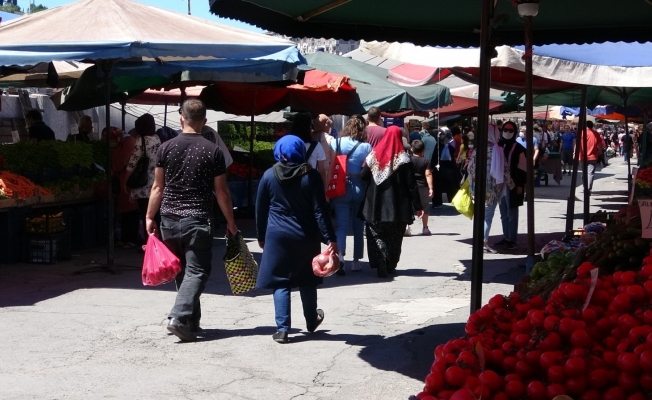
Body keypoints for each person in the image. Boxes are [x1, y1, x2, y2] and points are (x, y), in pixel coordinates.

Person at [146, 99, 237, 342]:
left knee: (182, 271)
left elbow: (157, 187)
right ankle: (178, 316)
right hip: (197, 219)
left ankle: (191, 322)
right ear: (205, 122)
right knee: (197, 271)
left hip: (168, 219)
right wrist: (231, 221)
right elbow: (221, 191)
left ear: (181, 119)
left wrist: (149, 216)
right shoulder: (213, 150)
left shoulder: (165, 148)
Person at [256, 135, 337, 343]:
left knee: (280, 280)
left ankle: (282, 329)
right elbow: (321, 211)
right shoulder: (310, 176)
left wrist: (261, 235)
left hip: (276, 235)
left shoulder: (268, 176)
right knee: (306, 278)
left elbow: (260, 209)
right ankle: (311, 320)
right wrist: (330, 238)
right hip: (305, 235)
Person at [359, 126, 423, 277]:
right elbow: (411, 185)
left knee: (376, 234)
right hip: (398, 208)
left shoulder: (374, 156)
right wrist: (418, 206)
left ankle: (380, 258)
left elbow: (362, 175)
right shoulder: (404, 159)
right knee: (395, 237)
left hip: (374, 205)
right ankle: (390, 263)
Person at [329, 117, 372, 274]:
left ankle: (340, 258)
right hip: (358, 186)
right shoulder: (366, 146)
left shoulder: (337, 143)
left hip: (340, 186)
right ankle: (356, 261)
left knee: (341, 225)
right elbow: (369, 167)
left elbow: (330, 163)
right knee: (358, 225)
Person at [467, 124, 512, 253]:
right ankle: (483, 242)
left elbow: (469, 169)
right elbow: (505, 171)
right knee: (487, 217)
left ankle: (479, 240)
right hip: (491, 191)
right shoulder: (497, 150)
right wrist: (513, 186)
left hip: (476, 189)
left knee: (479, 216)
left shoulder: (477, 150)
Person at [125, 113, 162, 245]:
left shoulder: (141, 141)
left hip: (144, 186)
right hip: (158, 183)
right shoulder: (158, 139)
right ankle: (159, 243)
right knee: (157, 215)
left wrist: (125, 180)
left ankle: (151, 244)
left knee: (146, 215)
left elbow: (133, 162)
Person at [104, 127, 139, 249]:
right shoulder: (123, 141)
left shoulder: (128, 142)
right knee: (124, 212)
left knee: (131, 211)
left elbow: (123, 161)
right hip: (122, 180)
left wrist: (113, 168)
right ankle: (125, 238)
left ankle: (131, 239)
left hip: (128, 181)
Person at [494, 121, 527, 250]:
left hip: (513, 184)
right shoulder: (499, 145)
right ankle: (506, 236)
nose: (507, 132)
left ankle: (512, 239)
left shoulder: (519, 148)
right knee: (503, 212)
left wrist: (520, 185)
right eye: (505, 130)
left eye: (510, 130)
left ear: (515, 132)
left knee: (512, 212)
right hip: (500, 183)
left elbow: (523, 169)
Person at [291, 112, 328, 189]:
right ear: (308, 127)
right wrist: (324, 189)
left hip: (292, 184)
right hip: (310, 184)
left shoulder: (289, 145)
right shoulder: (317, 146)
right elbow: (321, 171)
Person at [408, 139, 433, 236]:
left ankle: (407, 226)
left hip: (410, 186)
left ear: (411, 149)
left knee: (409, 206)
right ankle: (425, 227)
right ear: (423, 150)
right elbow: (428, 175)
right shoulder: (426, 161)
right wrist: (431, 188)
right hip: (422, 186)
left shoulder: (408, 160)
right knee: (425, 206)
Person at [578, 120, 604, 195]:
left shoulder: (581, 133)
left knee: (584, 173)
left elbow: (577, 144)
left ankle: (584, 187)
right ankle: (588, 189)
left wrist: (574, 153)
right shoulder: (595, 133)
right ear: (592, 126)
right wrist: (600, 151)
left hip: (582, 156)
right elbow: (599, 145)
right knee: (590, 173)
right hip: (593, 156)